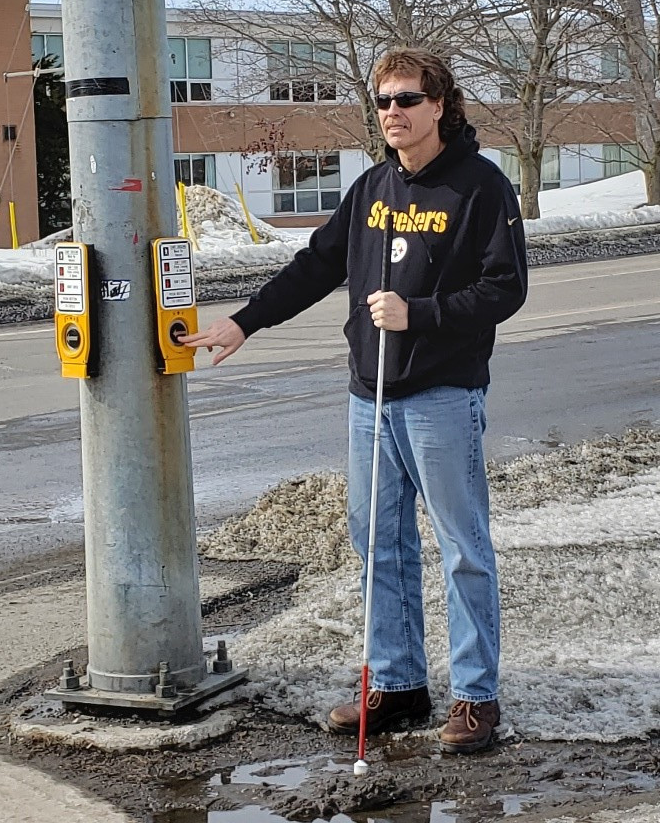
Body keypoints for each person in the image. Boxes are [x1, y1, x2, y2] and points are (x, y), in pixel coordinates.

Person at [183, 47, 527, 754]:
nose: (393, 113)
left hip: (442, 396)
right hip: (369, 400)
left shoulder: (480, 189)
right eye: (383, 102)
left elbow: (505, 289)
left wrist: (419, 314)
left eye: (407, 99)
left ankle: (476, 699)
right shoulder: (372, 189)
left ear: (439, 105)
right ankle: (399, 685)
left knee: (463, 550)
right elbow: (315, 264)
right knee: (380, 548)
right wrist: (244, 321)